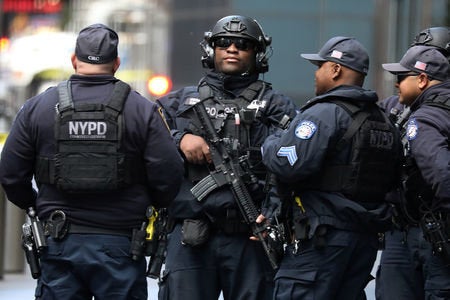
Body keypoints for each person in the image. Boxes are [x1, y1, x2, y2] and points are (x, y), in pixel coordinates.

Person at [0, 23, 184, 300]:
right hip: (121, 244)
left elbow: (11, 174)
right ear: (117, 63)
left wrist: (35, 205)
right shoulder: (141, 110)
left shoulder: (37, 108)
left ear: (74, 60)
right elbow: (168, 174)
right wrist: (149, 204)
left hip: (59, 241)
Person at [156, 15, 298, 300]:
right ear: (211, 50)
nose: (232, 49)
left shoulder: (276, 106)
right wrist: (179, 139)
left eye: (243, 45)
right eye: (224, 43)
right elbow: (144, 143)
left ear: (256, 54)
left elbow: (292, 164)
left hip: (251, 236)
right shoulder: (178, 102)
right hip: (190, 236)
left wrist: (272, 215)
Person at [261, 36, 401, 299]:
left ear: (335, 69)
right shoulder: (383, 120)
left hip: (322, 240)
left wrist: (270, 143)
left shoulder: (324, 113)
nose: (316, 73)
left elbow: (288, 164)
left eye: (320, 66)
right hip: (363, 241)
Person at [375, 26, 450, 300]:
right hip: (401, 229)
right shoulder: (396, 106)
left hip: (437, 229)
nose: (396, 83)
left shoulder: (429, 113)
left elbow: (441, 173)